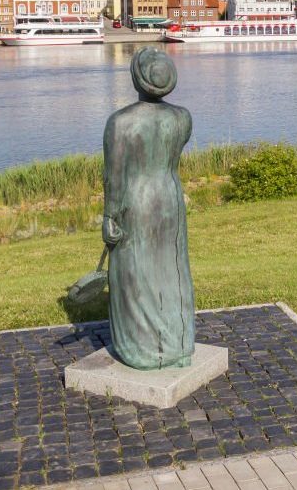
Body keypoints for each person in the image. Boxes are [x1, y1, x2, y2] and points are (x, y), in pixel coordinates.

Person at [102, 47, 195, 370]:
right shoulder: (182, 118)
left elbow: (113, 177)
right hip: (169, 197)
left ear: (136, 79)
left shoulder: (120, 123)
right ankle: (180, 346)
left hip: (136, 201)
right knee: (172, 270)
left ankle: (142, 351)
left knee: (134, 274)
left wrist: (110, 216)